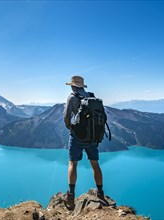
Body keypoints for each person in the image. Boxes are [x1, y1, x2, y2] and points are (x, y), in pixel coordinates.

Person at [63, 75, 104, 210]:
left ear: (73, 86)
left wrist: (72, 128)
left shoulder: (72, 97)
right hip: (92, 137)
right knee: (95, 164)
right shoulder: (91, 97)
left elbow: (66, 116)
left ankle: (70, 196)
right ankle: (100, 193)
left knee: (72, 164)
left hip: (77, 136)